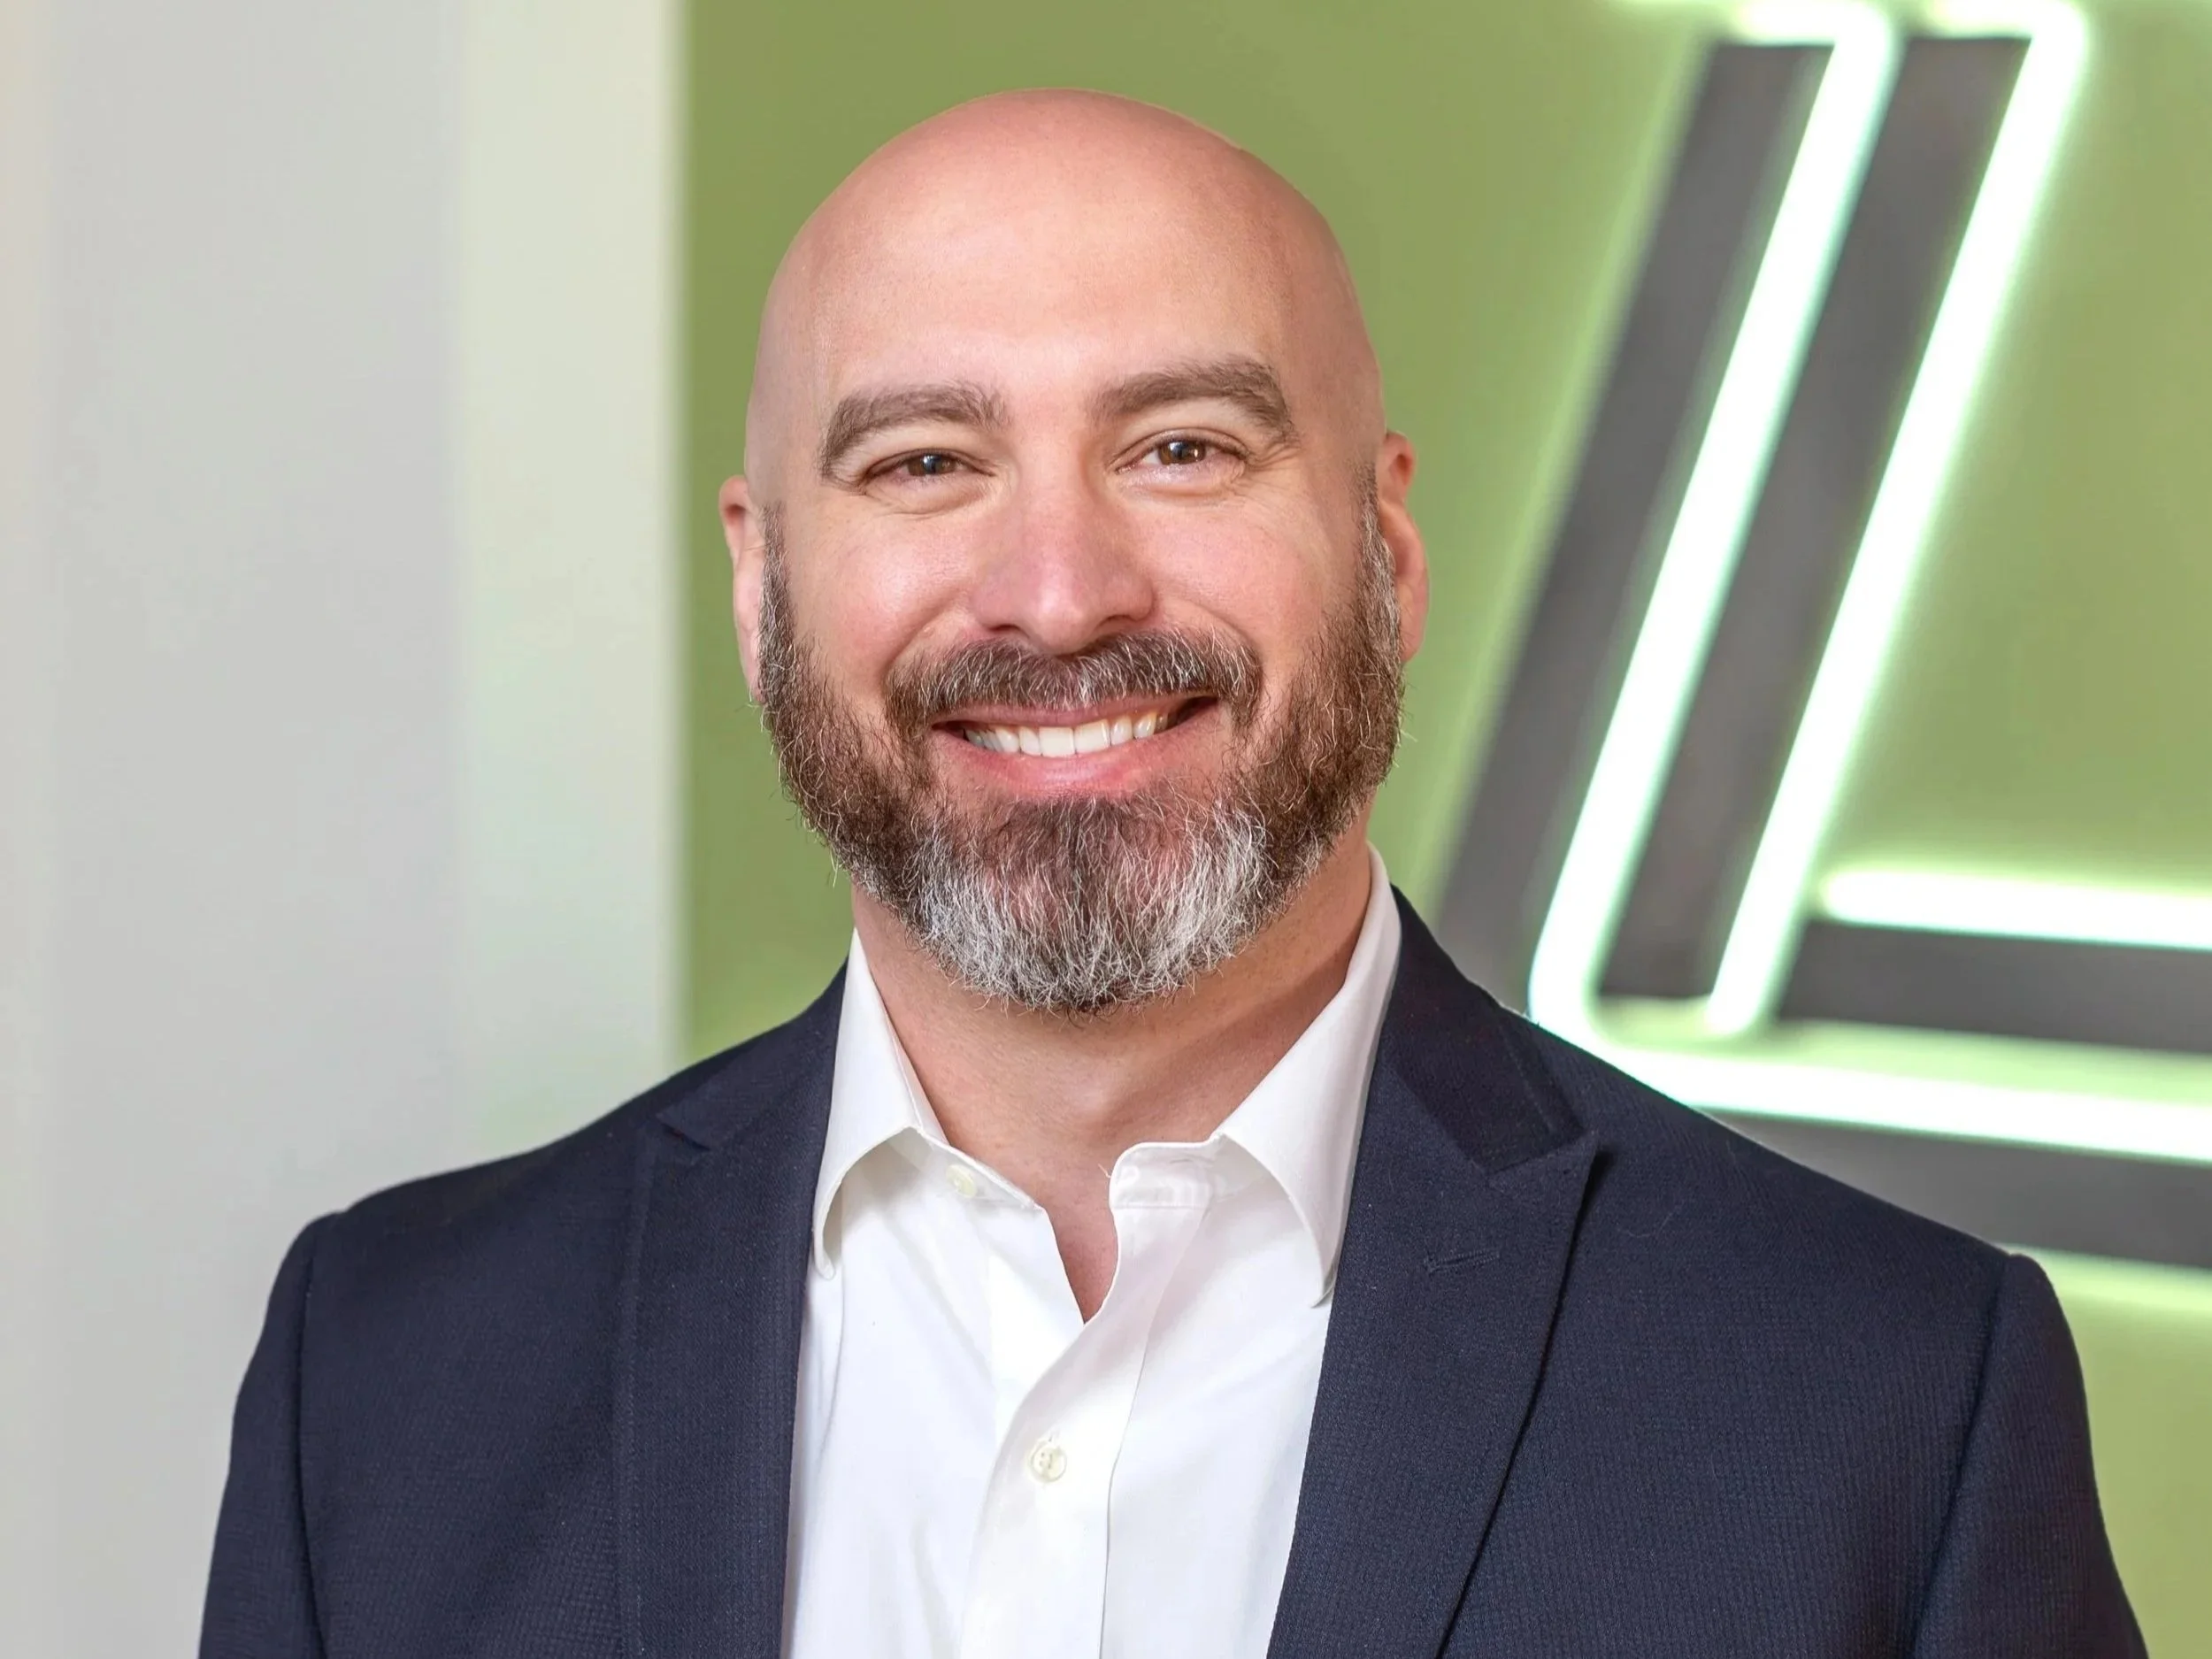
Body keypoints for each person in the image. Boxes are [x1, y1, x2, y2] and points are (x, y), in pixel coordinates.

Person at [200, 90, 2142, 1658]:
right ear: (759, 578)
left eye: (1185, 447)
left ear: (1385, 552)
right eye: (922, 463)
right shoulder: (383, 1376)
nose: (1058, 594)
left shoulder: (1887, 1405)